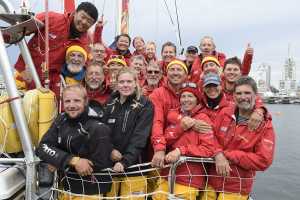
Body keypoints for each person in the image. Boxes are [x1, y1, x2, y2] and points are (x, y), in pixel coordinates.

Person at [201, 76, 275, 200]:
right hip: (212, 182)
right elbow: (210, 136)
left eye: (247, 93)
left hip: (237, 188)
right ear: (234, 96)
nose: (242, 97)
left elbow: (263, 160)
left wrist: (230, 155)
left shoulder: (265, 126)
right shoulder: (225, 113)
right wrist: (218, 154)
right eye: (239, 93)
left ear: (256, 96)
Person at [36, 84, 113, 199]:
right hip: (65, 188)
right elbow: (42, 148)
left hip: (92, 192)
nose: (71, 105)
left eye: (77, 101)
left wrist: (58, 160)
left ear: (85, 101)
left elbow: (97, 165)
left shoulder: (98, 127)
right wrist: (71, 160)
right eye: (67, 101)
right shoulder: (61, 119)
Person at [15, 2, 98, 93]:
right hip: (26, 72)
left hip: (51, 83)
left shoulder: (85, 43)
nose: (84, 22)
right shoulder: (51, 18)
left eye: (89, 21)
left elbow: (86, 65)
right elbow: (22, 28)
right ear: (75, 12)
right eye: (83, 17)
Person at [152, 82, 216, 200]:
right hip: (168, 173)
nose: (186, 100)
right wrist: (181, 127)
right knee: (157, 197)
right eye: (183, 96)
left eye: (190, 96)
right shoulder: (175, 116)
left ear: (197, 99)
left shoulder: (203, 119)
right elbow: (167, 138)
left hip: (189, 178)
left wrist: (180, 150)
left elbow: (208, 149)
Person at [103, 67, 154, 199]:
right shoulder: (110, 103)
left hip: (135, 167)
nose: (125, 85)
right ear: (117, 83)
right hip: (110, 166)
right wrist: (110, 150)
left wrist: (125, 161)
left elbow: (140, 137)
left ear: (136, 82)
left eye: (129, 81)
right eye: (122, 82)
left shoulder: (145, 104)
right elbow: (102, 132)